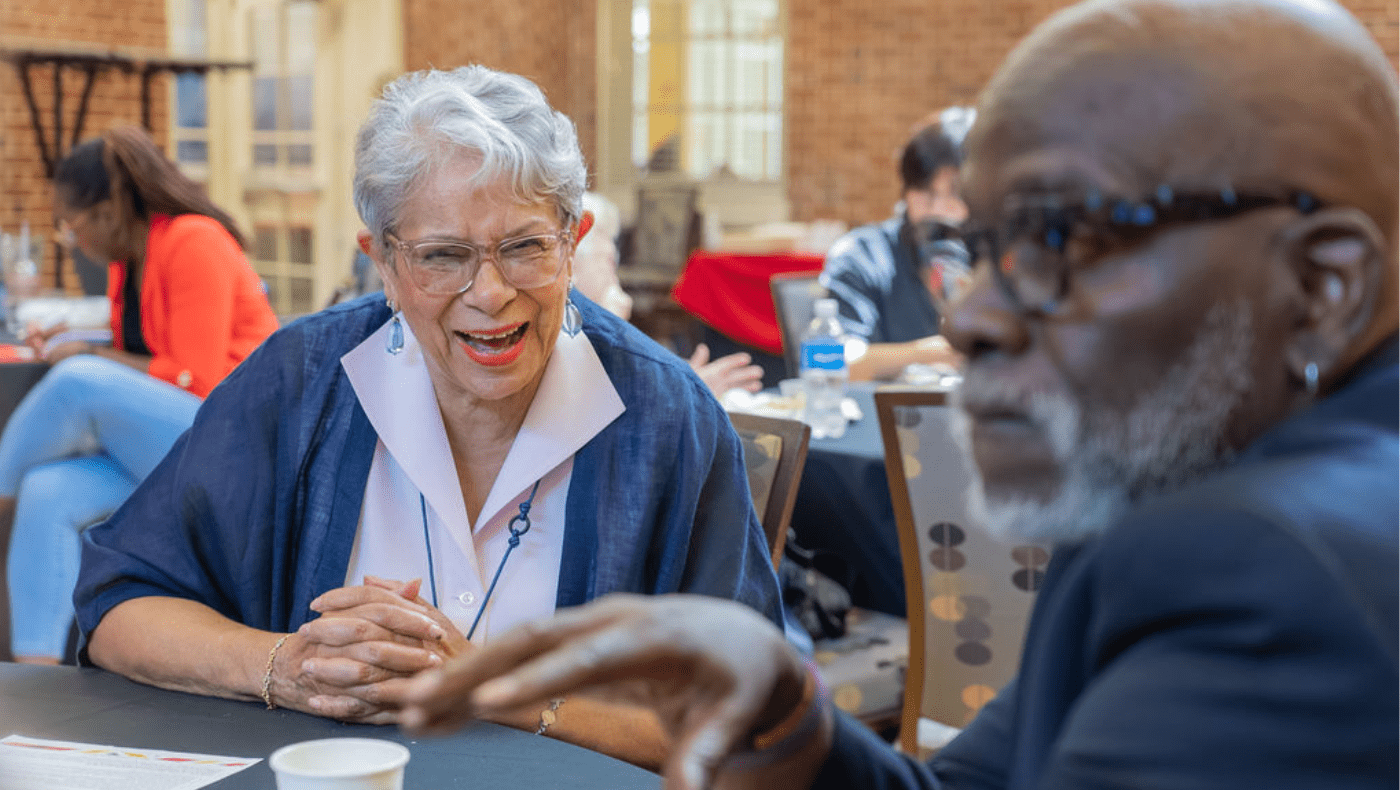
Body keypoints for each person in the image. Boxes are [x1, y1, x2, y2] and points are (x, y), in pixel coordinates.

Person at [395, 1, 1400, 788]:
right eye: (977, 247)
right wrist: (782, 717)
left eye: (1061, 239)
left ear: (1320, 286)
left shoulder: (1267, 569)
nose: (971, 317)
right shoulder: (1191, 503)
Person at [74, 65, 781, 770]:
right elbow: (118, 607)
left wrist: (490, 685)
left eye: (525, 247)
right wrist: (288, 664)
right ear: (379, 261)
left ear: (574, 242)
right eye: (442, 256)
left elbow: (752, 719)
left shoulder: (666, 418)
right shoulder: (298, 384)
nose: (491, 293)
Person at [0, 126, 278, 664]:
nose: (71, 238)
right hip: (178, 445)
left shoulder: (194, 241)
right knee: (48, 491)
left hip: (240, 449)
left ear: (107, 211)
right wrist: (85, 342)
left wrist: (92, 357)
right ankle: (36, 677)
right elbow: (150, 351)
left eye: (70, 224)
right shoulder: (129, 263)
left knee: (79, 380)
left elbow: (196, 380)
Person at [821, 108, 974, 382]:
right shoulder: (860, 254)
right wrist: (928, 354)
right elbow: (826, 363)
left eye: (955, 194)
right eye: (925, 193)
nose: (938, 209)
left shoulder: (997, 259)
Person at [573, 191, 764, 397]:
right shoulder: (572, 339)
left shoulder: (590, 330)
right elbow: (604, 412)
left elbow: (632, 391)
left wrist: (679, 384)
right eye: (607, 260)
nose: (613, 276)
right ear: (571, 265)